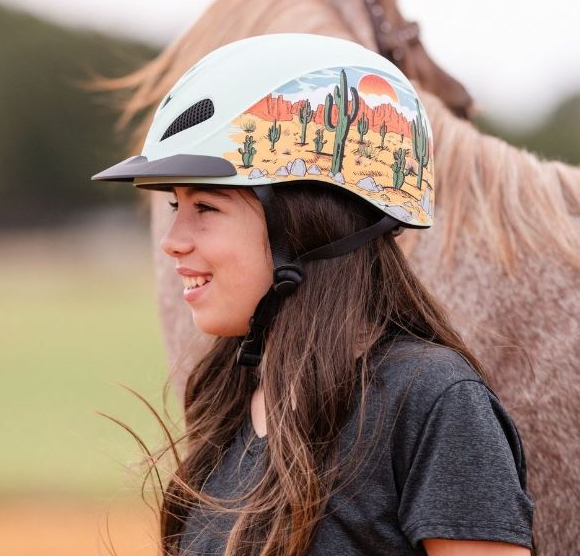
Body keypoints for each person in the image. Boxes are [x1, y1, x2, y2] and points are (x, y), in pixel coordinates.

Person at [92, 33, 535, 556]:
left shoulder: (432, 402)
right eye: (175, 206)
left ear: (309, 223)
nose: (172, 242)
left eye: (205, 208)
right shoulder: (229, 390)